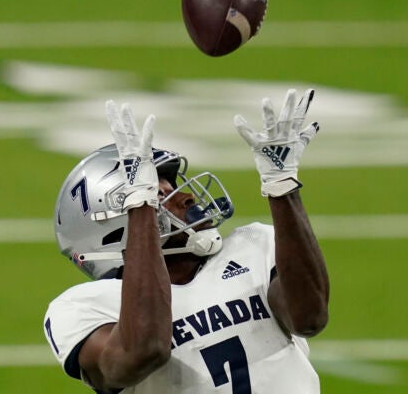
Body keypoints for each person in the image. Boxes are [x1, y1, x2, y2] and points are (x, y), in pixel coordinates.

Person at [44, 88, 329, 394]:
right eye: (161, 194)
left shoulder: (253, 245)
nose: (187, 196)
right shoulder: (82, 307)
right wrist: (143, 207)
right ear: (117, 224)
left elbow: (309, 317)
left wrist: (282, 188)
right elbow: (142, 352)